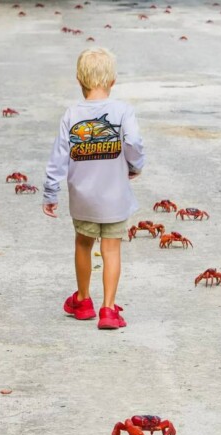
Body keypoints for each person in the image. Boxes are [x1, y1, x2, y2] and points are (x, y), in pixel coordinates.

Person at [42, 47, 146, 330]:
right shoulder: (123, 111)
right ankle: (109, 310)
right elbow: (134, 144)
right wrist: (135, 166)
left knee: (83, 244)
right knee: (111, 249)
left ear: (80, 80)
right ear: (112, 81)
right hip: (115, 198)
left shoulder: (72, 114)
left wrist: (51, 192)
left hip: (83, 198)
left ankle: (84, 300)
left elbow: (58, 157)